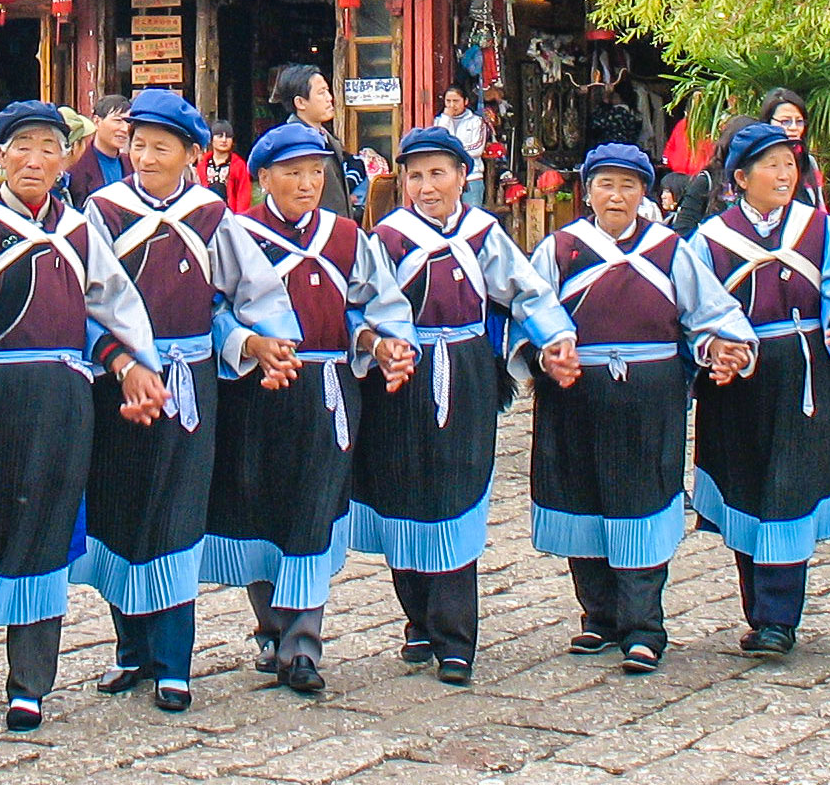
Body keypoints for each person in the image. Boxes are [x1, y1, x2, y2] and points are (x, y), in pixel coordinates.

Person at [0, 101, 156, 732]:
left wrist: (135, 365)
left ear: (65, 159)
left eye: (50, 148)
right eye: (23, 147)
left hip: (58, 410)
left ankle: (30, 682)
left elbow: (112, 309)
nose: (36, 160)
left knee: (43, 534)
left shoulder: (79, 233)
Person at [73, 88, 294, 713]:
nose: (144, 156)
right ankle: (129, 651)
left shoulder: (211, 216)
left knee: (176, 511)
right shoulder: (100, 211)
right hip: (119, 383)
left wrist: (265, 342)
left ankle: (174, 661)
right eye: (137, 144)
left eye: (159, 147)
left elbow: (247, 294)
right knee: (118, 506)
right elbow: (85, 302)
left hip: (190, 379)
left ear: (191, 154)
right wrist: (117, 360)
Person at [353, 127, 576, 686]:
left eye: (439, 174)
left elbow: (527, 292)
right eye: (416, 175)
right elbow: (357, 307)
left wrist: (553, 338)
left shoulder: (484, 235)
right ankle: (418, 619)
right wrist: (381, 345)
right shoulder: (386, 239)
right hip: (402, 377)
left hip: (467, 371)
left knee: (458, 490)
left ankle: (456, 637)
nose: (428, 187)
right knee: (402, 489)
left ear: (462, 177)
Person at [202, 121, 416, 694]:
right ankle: (270, 628)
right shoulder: (239, 234)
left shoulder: (347, 237)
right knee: (261, 503)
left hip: (327, 389)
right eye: (292, 172)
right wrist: (248, 344)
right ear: (264, 177)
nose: (306, 184)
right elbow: (216, 308)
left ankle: (303, 646)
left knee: (312, 508)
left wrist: (383, 341)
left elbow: (371, 306)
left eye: (315, 172)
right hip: (259, 389)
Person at [525, 143, 752, 674]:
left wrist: (721, 346)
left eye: (629, 185)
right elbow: (529, 314)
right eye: (606, 184)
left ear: (644, 192)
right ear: (588, 191)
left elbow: (709, 313)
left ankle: (644, 625)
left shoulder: (672, 250)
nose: (617, 196)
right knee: (581, 499)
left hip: (651, 399)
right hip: (576, 394)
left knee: (643, 501)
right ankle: (599, 616)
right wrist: (545, 354)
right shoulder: (561, 250)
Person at [683, 122, 830, 659]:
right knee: (748, 485)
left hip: (806, 374)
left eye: (789, 164)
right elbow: (694, 314)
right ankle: (760, 610)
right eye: (770, 166)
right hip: (741, 380)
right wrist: (713, 349)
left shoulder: (821, 229)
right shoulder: (710, 239)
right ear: (740, 178)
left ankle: (778, 620)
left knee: (789, 490)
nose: (783, 174)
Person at [273, 64, 362, 217]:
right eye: (321, 93)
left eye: (327, 91)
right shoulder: (293, 145)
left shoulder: (325, 136)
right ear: (300, 102)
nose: (329, 98)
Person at [759, 88, 826, 207]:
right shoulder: (757, 162)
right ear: (767, 122)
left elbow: (820, 207)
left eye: (799, 122)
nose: (794, 127)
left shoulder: (808, 162)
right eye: (785, 121)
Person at [64, 94, 130, 204]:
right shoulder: (77, 167)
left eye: (128, 122)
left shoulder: (131, 164)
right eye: (118, 120)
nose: (125, 128)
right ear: (97, 121)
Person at [435, 85, 491, 208]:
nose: (452, 105)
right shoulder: (440, 121)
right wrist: (446, 118)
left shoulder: (476, 122)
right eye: (448, 101)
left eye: (456, 101)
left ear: (465, 101)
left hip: (472, 177)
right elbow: (439, 142)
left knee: (472, 218)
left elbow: (477, 149)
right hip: (447, 178)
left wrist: (452, 149)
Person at [196, 120, 253, 212]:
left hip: (230, 214)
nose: (224, 140)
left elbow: (244, 194)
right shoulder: (203, 163)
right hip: (205, 214)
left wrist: (239, 218)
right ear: (211, 139)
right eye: (220, 136)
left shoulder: (238, 165)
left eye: (228, 137)